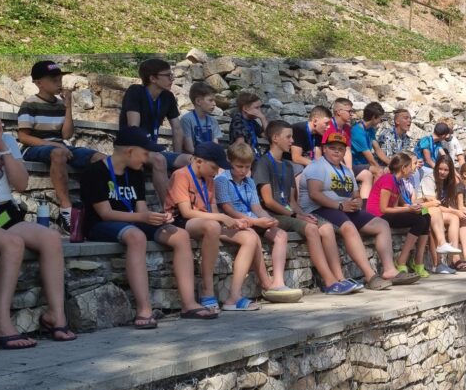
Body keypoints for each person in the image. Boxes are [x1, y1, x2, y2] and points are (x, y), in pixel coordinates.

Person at [81, 126, 217, 328]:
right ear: (130, 151)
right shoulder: (95, 171)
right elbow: (105, 213)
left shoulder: (134, 173)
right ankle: (144, 309)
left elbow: (141, 208)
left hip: (133, 221)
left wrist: (157, 218)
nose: (147, 159)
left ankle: (189, 304)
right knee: (136, 237)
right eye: (145, 153)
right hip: (101, 225)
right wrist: (143, 217)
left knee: (179, 235)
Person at [0, 97, 72, 346]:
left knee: (51, 238)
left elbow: (22, 184)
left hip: (5, 212)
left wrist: (1, 147)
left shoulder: (5, 139)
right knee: (12, 243)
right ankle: (0, 322)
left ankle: (56, 315)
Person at [298, 132, 419, 289]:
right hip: (320, 209)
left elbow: (355, 194)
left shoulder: (346, 170)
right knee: (349, 227)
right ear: (325, 149)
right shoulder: (317, 166)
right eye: (332, 148)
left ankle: (389, 270)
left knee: (381, 224)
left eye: (340, 149)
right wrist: (340, 206)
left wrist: (357, 202)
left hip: (344, 208)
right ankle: (370, 276)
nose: (336, 151)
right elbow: (314, 194)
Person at [254, 121, 359, 295]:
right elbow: (269, 201)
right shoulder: (263, 163)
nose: (292, 141)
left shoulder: (287, 166)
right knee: (311, 228)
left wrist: (302, 214)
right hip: (272, 215)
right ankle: (329, 281)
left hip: (289, 212)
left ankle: (340, 278)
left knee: (325, 227)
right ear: (275, 138)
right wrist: (295, 215)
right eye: (288, 137)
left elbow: (292, 200)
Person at [165, 141, 264, 312]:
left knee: (249, 236)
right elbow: (186, 212)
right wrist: (221, 217)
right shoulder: (181, 175)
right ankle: (207, 290)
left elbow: (214, 209)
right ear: (198, 162)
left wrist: (233, 223)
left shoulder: (209, 179)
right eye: (213, 167)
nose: (217, 171)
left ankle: (234, 296)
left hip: (209, 222)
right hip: (182, 221)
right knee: (212, 226)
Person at [17, 60, 106, 231]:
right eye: (54, 80)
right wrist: (53, 145)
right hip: (34, 148)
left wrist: (68, 108)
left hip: (60, 146)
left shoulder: (60, 104)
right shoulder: (30, 103)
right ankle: (66, 208)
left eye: (59, 79)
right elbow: (23, 137)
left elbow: (66, 135)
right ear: (39, 83)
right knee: (58, 153)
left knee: (100, 159)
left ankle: (97, 204)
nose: (59, 83)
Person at [214, 142, 303, 304]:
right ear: (229, 162)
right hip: (235, 222)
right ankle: (266, 284)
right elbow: (229, 210)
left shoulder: (249, 182)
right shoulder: (221, 180)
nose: (242, 171)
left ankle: (278, 282)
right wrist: (256, 221)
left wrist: (267, 219)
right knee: (253, 235)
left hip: (253, 219)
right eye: (238, 166)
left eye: (247, 167)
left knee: (280, 234)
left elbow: (256, 207)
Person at [119, 58, 192, 204]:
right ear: (152, 78)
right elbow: (134, 127)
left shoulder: (167, 97)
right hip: (132, 147)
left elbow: (177, 128)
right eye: (167, 75)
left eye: (172, 75)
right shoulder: (135, 92)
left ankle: (195, 206)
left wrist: (177, 155)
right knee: (159, 160)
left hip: (152, 149)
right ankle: (170, 208)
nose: (172, 79)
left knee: (193, 161)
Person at [366, 153, 432, 277]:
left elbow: (397, 205)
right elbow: (384, 209)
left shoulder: (397, 182)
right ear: (403, 168)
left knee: (426, 214)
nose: (412, 169)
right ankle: (402, 260)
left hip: (388, 213)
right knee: (419, 220)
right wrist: (408, 210)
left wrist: (412, 207)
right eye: (410, 166)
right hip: (378, 216)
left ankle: (418, 261)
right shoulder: (388, 179)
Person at [417, 154, 465, 274]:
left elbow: (443, 204)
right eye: (440, 169)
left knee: (454, 218)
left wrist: (456, 212)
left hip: (435, 211)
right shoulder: (430, 179)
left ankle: (455, 257)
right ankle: (437, 262)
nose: (442, 172)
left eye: (446, 170)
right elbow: (434, 204)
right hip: (421, 210)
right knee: (436, 219)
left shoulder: (447, 182)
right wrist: (455, 211)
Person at [351, 102, 387, 200]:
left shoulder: (370, 129)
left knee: (390, 170)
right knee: (378, 171)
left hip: (364, 163)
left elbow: (378, 150)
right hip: (355, 164)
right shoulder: (357, 132)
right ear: (373, 117)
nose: (380, 121)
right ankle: (374, 201)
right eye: (379, 118)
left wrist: (392, 163)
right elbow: (371, 160)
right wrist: (380, 169)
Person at [180, 82, 221, 154]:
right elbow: (189, 148)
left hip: (210, 156)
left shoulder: (213, 121)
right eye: (210, 100)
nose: (214, 104)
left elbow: (215, 145)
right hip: (194, 157)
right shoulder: (186, 120)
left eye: (214, 100)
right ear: (198, 101)